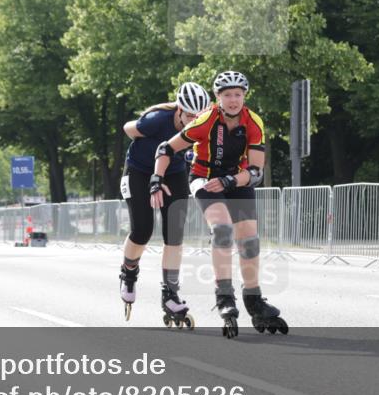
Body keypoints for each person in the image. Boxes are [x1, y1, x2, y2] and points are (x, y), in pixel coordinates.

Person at [150, 71, 288, 338]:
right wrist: (156, 178)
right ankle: (225, 297)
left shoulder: (253, 122)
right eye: (227, 95)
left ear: (244, 96)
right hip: (203, 179)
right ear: (218, 98)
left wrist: (229, 181)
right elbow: (166, 149)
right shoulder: (206, 120)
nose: (233, 100)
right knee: (223, 230)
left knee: (249, 239)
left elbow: (257, 172)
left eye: (238, 94)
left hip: (237, 180)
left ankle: (253, 298)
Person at [119, 82, 211, 326]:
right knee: (142, 230)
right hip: (139, 170)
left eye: (199, 117)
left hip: (173, 172)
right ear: (179, 110)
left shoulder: (207, 123)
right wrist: (140, 128)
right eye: (189, 116)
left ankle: (170, 293)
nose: (194, 121)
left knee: (174, 233)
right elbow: (128, 128)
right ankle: (128, 273)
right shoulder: (158, 120)